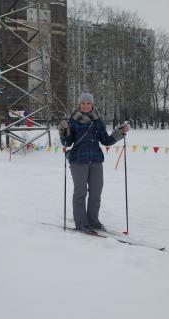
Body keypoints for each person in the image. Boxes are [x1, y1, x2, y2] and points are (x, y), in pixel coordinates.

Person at [58, 90, 129, 234]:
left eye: (88, 103)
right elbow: (67, 143)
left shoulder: (98, 121)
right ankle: (81, 223)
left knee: (96, 192)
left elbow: (106, 140)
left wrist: (120, 133)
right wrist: (63, 131)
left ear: (92, 104)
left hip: (96, 160)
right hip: (78, 161)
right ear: (79, 105)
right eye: (83, 103)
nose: (85, 106)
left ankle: (93, 220)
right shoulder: (72, 120)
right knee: (80, 192)